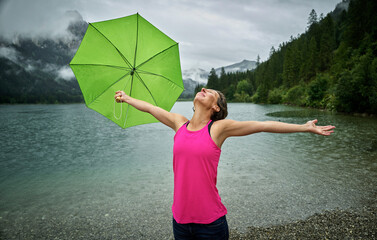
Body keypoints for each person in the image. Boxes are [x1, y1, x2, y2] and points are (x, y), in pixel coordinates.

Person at [114, 88, 335, 240]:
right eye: (204, 89)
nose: (204, 89)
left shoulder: (217, 129)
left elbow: (263, 125)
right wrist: (127, 98)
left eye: (211, 92)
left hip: (211, 223)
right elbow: (151, 108)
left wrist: (304, 127)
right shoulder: (179, 123)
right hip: (179, 221)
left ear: (216, 108)